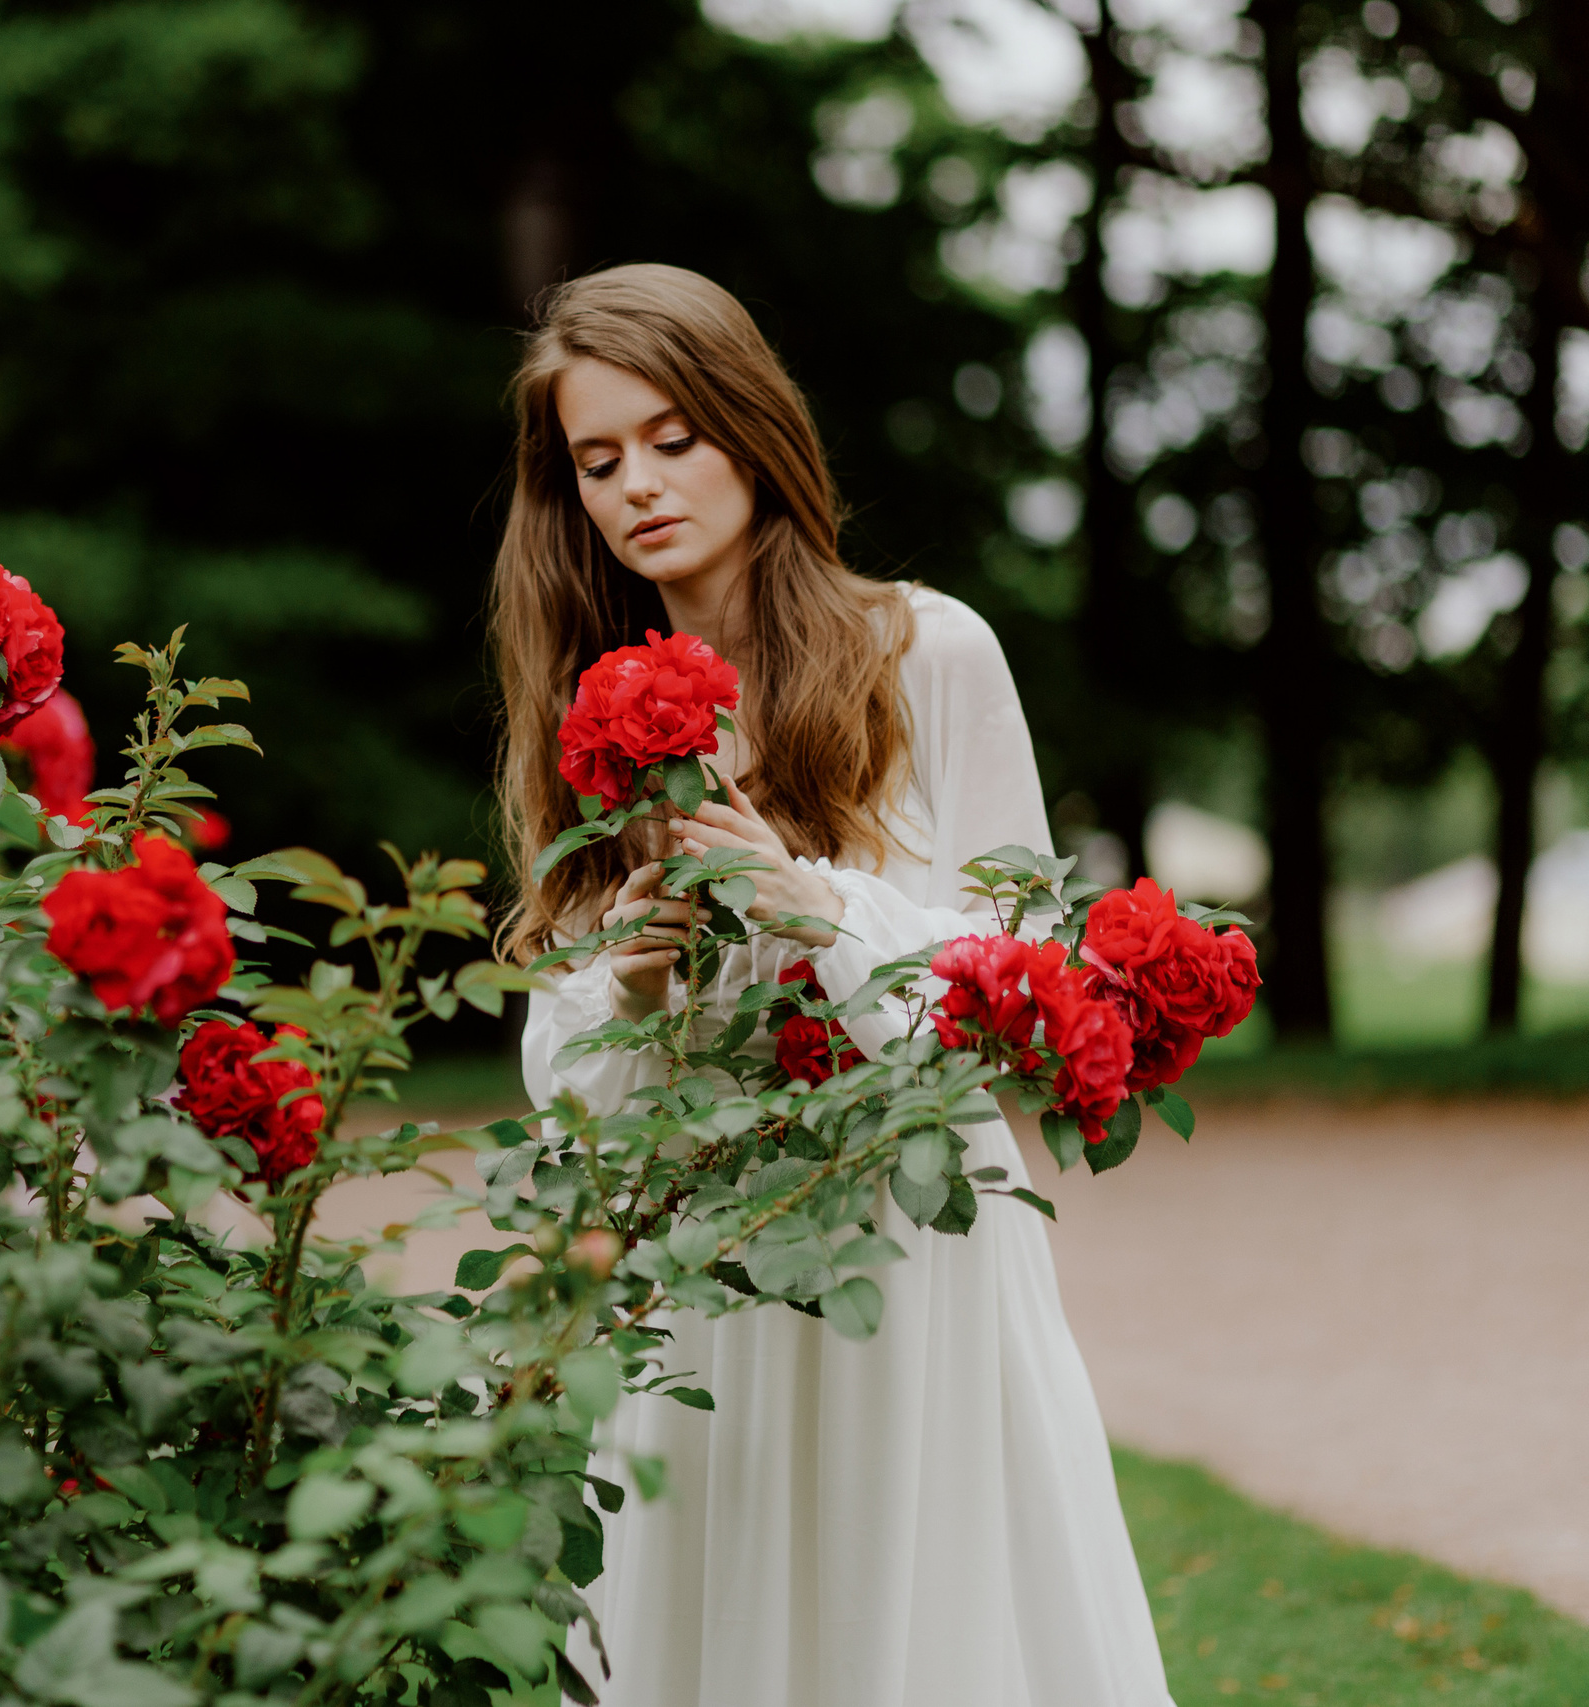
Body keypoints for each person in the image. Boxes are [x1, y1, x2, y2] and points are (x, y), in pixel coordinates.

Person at [494, 264, 1175, 1707]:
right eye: (597, 460)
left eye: (674, 438)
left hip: (907, 1234)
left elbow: (1032, 1005)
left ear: (752, 429)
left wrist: (818, 910)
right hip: (702, 1254)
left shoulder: (926, 651)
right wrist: (625, 981)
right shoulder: (590, 691)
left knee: (914, 1620)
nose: (638, 488)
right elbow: (570, 1091)